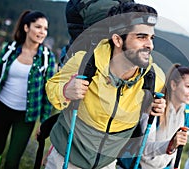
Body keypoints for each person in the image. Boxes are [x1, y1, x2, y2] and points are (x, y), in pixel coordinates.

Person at [44, 2, 166, 169]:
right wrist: (66, 90)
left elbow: (147, 112)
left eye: (151, 38)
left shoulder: (155, 78)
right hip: (66, 159)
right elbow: (51, 87)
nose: (150, 45)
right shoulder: (83, 62)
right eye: (141, 37)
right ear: (117, 39)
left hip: (107, 163)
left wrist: (155, 107)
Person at [0, 10, 56, 169]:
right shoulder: (10, 49)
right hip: (1, 109)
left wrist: (44, 122)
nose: (42, 32)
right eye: (38, 27)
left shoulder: (47, 57)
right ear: (26, 27)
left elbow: (48, 93)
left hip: (25, 117)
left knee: (12, 160)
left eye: (45, 29)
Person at [136, 64, 189, 169]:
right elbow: (144, 149)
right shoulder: (155, 107)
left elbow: (177, 149)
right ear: (173, 85)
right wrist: (170, 145)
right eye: (188, 86)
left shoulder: (186, 112)